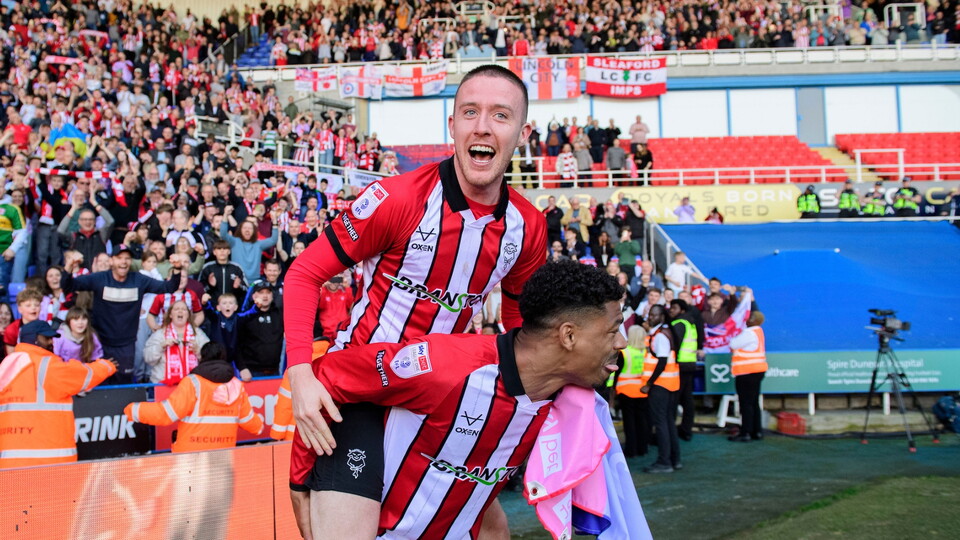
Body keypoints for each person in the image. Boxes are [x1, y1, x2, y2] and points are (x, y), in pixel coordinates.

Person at [283, 65, 547, 540]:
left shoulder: (528, 227)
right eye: (470, 112)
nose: (482, 126)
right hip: (360, 394)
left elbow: (520, 329)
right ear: (452, 125)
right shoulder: (397, 199)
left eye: (500, 115)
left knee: (492, 533)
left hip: (442, 396)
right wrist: (301, 373)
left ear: (522, 133)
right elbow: (304, 274)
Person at [296, 260, 635, 539]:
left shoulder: (567, 403)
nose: (622, 342)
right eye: (612, 329)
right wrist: (299, 483)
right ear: (569, 335)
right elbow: (327, 373)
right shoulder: (444, 365)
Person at [0, 320, 116, 469]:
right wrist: (106, 366)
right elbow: (84, 375)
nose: (51, 341)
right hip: (48, 462)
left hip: (8, 462)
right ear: (35, 339)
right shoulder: (47, 366)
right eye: (47, 337)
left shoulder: (6, 366)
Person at [61, 245, 185, 383]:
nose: (124, 262)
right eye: (119, 258)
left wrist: (177, 268)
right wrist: (69, 266)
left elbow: (168, 287)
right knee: (99, 384)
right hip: (100, 343)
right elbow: (69, 286)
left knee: (123, 386)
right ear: (112, 261)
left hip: (126, 345)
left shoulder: (139, 280)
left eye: (127, 258)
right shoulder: (100, 279)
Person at [124, 342, 263, 453]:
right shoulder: (236, 385)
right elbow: (252, 423)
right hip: (223, 456)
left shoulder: (193, 382)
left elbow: (166, 413)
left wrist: (134, 410)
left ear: (202, 357)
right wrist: (259, 427)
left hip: (191, 457)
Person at [641, 304, 680, 473]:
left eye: (655, 314)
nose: (651, 317)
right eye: (650, 314)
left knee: (661, 424)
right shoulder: (664, 333)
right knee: (668, 423)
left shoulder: (660, 336)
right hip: (669, 385)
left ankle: (664, 461)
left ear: (662, 317)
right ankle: (674, 459)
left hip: (660, 386)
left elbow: (662, 362)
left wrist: (649, 383)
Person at [143, 300, 210, 385]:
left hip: (193, 385)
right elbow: (148, 358)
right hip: (163, 384)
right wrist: (161, 346)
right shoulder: (160, 334)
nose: (180, 311)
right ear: (170, 315)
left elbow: (210, 358)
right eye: (176, 309)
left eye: (184, 309)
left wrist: (198, 350)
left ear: (188, 315)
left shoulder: (198, 334)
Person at [728, 309, 767, 442]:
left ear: (753, 320)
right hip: (757, 371)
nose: (746, 320)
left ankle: (745, 432)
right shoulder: (758, 332)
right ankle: (757, 431)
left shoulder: (749, 333)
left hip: (746, 372)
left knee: (746, 404)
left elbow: (733, 344)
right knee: (754, 402)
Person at [613, 325, 651, 458]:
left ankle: (631, 449)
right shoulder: (646, 352)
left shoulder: (625, 352)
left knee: (629, 421)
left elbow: (617, 371)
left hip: (626, 389)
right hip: (642, 389)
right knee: (642, 420)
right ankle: (643, 448)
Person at [237, 282, 283, 378]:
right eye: (261, 293)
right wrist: (242, 367)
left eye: (268, 292)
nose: (265, 296)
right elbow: (236, 344)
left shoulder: (279, 314)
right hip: (251, 372)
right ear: (254, 296)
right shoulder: (246, 316)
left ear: (272, 295)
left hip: (276, 372)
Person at [669, 299, 700, 441]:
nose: (671, 310)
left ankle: (672, 431)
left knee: (674, 399)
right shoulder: (690, 323)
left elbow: (674, 345)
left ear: (681, 310)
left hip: (680, 365)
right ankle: (686, 430)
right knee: (687, 399)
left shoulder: (679, 323)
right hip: (689, 364)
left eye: (674, 308)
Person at [4, 288, 44, 355]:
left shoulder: (45, 328)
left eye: (37, 305)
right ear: (19, 309)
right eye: (28, 305)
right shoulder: (12, 329)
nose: (33, 308)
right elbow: (11, 357)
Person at [317, 270, 351, 339]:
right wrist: (323, 286)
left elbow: (350, 306)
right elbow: (321, 306)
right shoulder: (324, 292)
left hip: (342, 332)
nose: (333, 283)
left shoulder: (344, 293)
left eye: (336, 279)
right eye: (331, 279)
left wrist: (347, 287)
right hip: (327, 333)